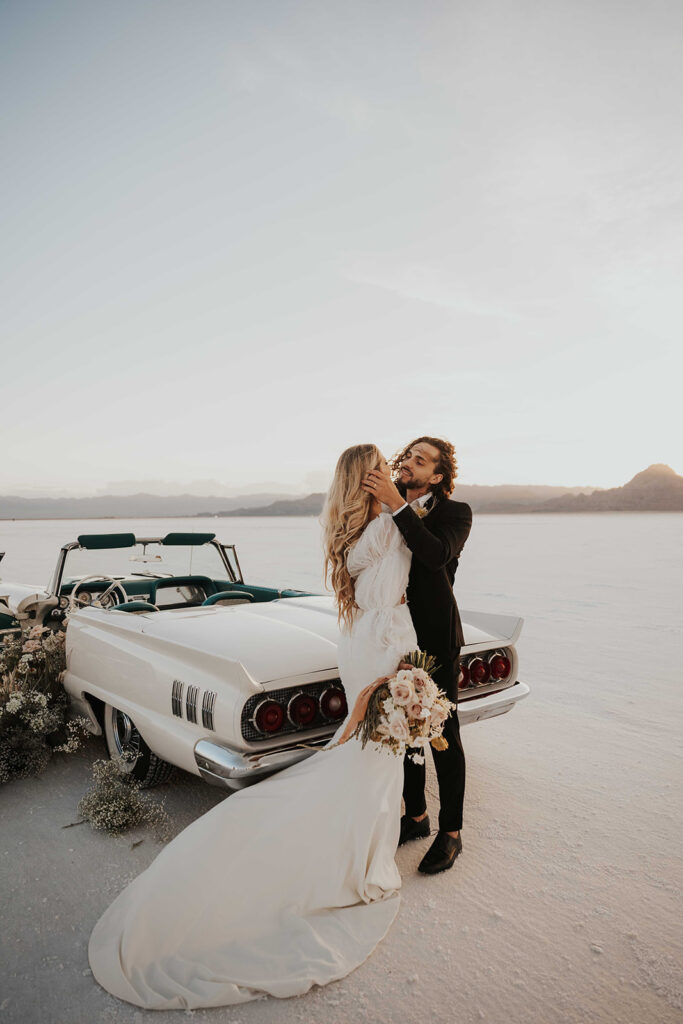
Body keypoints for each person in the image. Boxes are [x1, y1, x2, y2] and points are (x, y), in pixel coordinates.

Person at [87, 443, 418, 1010]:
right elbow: (402, 577)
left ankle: (366, 844)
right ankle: (358, 857)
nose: (392, 474)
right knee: (370, 753)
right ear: (366, 480)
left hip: (367, 644)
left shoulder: (355, 531)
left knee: (367, 754)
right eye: (383, 469)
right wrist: (402, 507)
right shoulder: (387, 527)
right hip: (383, 648)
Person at [362, 436, 472, 875]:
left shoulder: (454, 513)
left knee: (442, 733)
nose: (409, 462)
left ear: (438, 476)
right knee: (403, 727)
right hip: (392, 636)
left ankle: (452, 833)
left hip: (434, 636)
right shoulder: (382, 509)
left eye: (421, 460)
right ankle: (417, 817)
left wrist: (398, 506)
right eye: (408, 455)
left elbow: (434, 555)